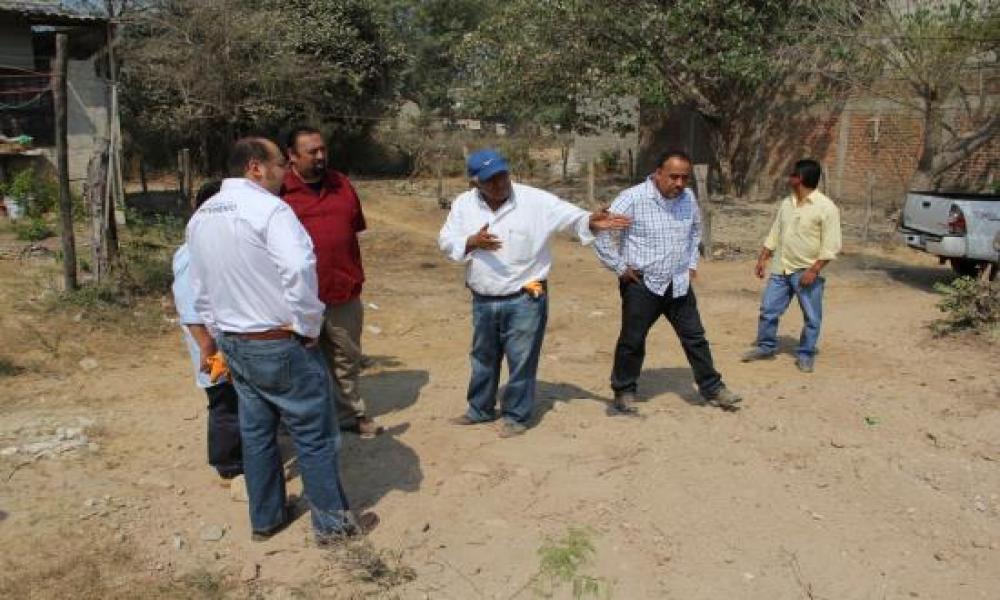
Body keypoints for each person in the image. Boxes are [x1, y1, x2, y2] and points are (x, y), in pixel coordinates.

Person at [187, 137, 375, 544]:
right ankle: (333, 527)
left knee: (257, 434)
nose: (284, 173)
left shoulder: (201, 217)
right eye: (279, 165)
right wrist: (307, 327)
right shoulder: (270, 209)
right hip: (277, 340)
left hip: (235, 342)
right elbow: (299, 267)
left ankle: (266, 518)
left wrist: (220, 334)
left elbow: (200, 287)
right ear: (255, 167)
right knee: (314, 434)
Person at [438, 149, 631, 437]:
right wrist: (471, 241)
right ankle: (479, 410)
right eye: (490, 180)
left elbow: (571, 216)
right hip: (484, 296)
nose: (499, 183)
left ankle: (516, 417)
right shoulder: (464, 204)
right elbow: (446, 240)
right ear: (475, 182)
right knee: (482, 357)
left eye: (502, 175)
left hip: (528, 293)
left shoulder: (535, 200)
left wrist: (589, 221)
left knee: (521, 358)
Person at [595, 150, 742, 413]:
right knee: (633, 339)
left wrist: (691, 263)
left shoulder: (688, 198)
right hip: (642, 284)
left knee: (695, 338)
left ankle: (713, 388)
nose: (680, 183)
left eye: (685, 178)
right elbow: (602, 232)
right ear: (658, 174)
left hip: (678, 282)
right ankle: (624, 391)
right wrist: (619, 267)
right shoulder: (632, 198)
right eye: (674, 177)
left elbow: (696, 230)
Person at [280, 126, 382, 438]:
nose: (321, 156)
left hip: (343, 291)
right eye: (312, 151)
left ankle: (349, 414)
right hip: (296, 298)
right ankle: (295, 420)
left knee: (346, 359)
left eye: (323, 149)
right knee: (296, 362)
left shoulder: (342, 184)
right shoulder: (278, 192)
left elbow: (353, 228)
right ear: (292, 156)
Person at [171, 180, 242, 482]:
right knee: (223, 399)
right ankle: (229, 463)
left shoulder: (217, 247)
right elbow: (189, 307)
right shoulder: (191, 253)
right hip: (212, 346)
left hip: (227, 342)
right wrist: (207, 348)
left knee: (234, 397)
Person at [742, 159, 842, 372]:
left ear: (801, 178)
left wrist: (814, 270)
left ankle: (805, 354)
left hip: (806, 272)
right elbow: (775, 231)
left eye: (793, 174)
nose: (789, 178)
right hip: (781, 267)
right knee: (768, 309)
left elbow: (831, 245)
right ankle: (765, 347)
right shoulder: (787, 203)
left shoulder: (826, 208)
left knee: (812, 317)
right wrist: (763, 257)